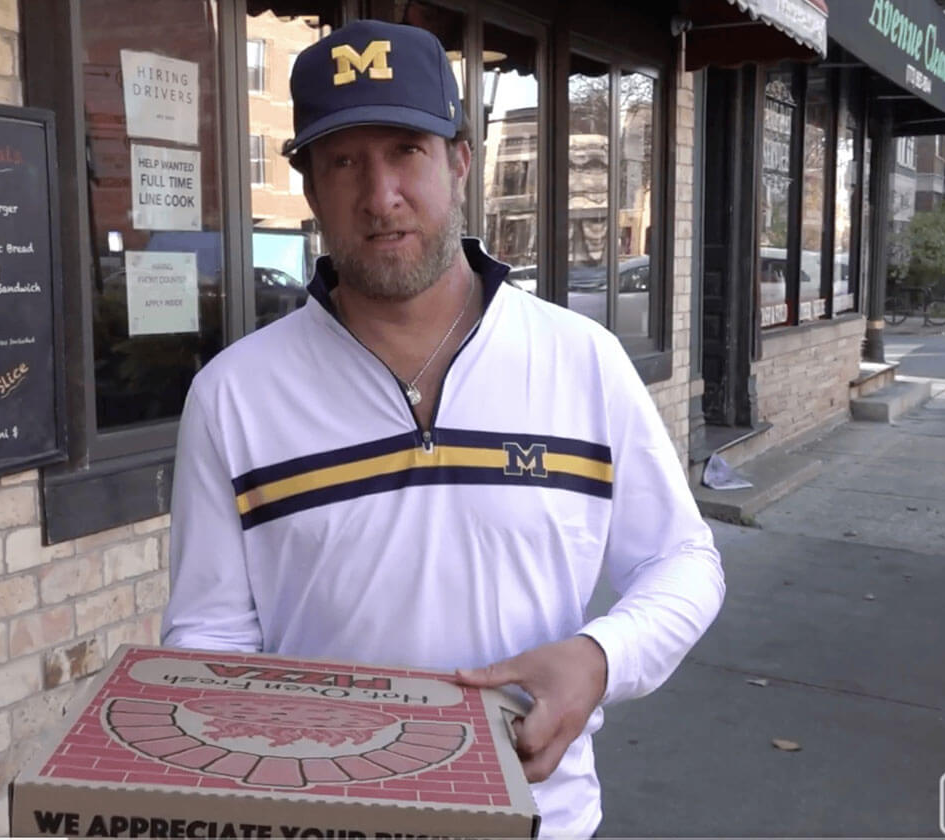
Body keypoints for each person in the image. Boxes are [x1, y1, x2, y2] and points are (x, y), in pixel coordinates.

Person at [161, 19, 725, 838]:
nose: (380, 195)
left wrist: (600, 659)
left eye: (405, 151)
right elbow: (209, 639)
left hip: (540, 817)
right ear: (311, 187)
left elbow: (682, 560)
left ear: (461, 159)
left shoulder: (581, 361)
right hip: (320, 822)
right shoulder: (233, 396)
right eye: (344, 160)